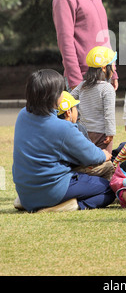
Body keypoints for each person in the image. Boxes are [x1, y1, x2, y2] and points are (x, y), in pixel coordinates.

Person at [12, 69, 115, 212]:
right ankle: (69, 206)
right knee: (109, 189)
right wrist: (104, 154)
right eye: (61, 91)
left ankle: (33, 201)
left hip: (25, 193)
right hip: (53, 190)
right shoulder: (63, 127)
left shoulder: (22, 115)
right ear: (54, 96)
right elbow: (92, 156)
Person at [52, 0, 118, 91]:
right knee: (83, 116)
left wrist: (112, 72)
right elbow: (65, 41)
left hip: (104, 74)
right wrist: (75, 79)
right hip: (83, 77)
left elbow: (105, 37)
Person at [57, 90, 114, 180]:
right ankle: (105, 191)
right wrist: (103, 155)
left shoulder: (52, 127)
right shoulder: (75, 129)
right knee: (109, 165)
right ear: (68, 112)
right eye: (75, 107)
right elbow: (88, 155)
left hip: (60, 169)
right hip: (74, 170)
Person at [71, 46, 117, 155]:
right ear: (105, 68)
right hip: (102, 134)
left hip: (83, 131)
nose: (114, 69)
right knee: (103, 161)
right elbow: (109, 113)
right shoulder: (107, 88)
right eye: (113, 65)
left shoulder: (83, 85)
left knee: (87, 160)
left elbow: (70, 98)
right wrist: (110, 133)